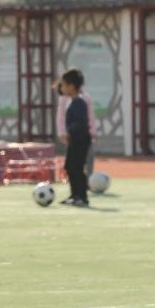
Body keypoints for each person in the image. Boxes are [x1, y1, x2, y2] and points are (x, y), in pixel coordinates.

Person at [56, 68, 93, 207]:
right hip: (75, 139)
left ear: (71, 86)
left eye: (64, 84)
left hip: (80, 139)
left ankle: (82, 197)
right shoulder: (72, 101)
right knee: (70, 166)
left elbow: (81, 122)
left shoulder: (79, 102)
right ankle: (74, 195)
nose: (62, 88)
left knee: (77, 167)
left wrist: (69, 132)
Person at [55, 67, 98, 176]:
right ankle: (75, 183)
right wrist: (62, 132)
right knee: (73, 162)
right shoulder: (64, 99)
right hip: (71, 136)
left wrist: (93, 131)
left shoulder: (85, 98)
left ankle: (88, 179)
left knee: (89, 156)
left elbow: (90, 116)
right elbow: (61, 116)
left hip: (84, 135)